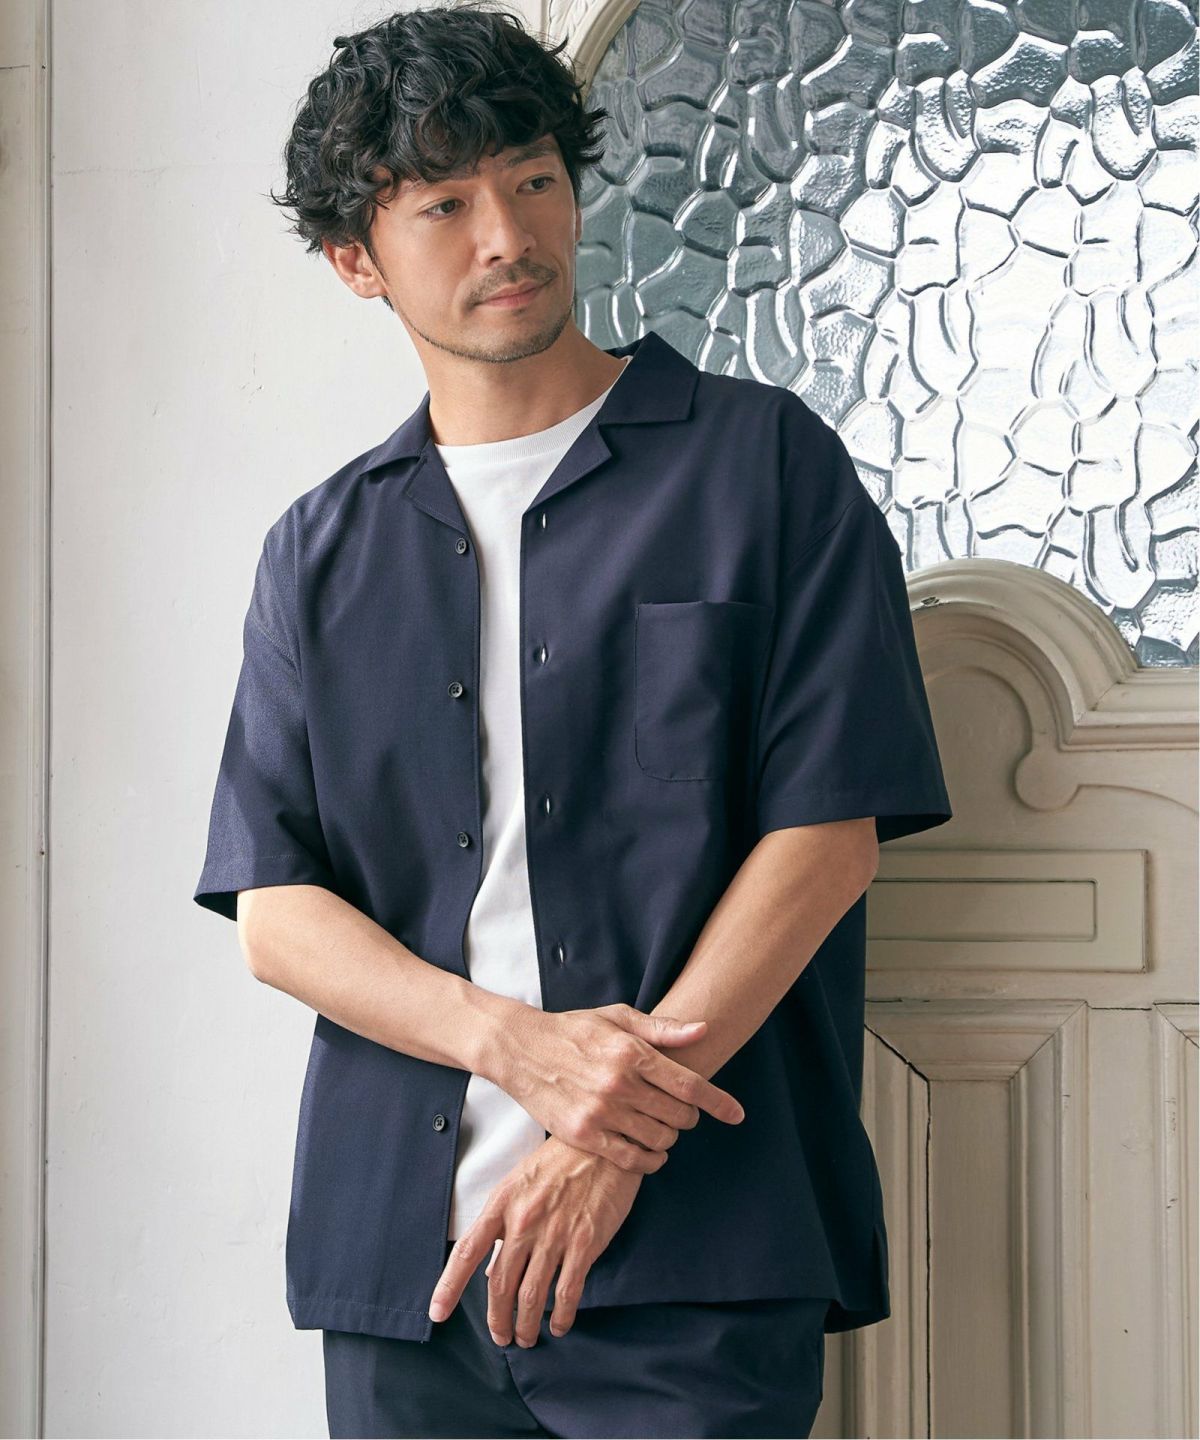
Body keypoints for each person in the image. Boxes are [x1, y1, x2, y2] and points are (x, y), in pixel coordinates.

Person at [193, 5, 954, 1436]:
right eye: (445, 204)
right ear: (357, 259)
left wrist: (611, 1133)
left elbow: (826, 837)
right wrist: (511, 1044)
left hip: (699, 1255)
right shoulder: (319, 551)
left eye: (533, 179)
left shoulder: (764, 468)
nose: (508, 235)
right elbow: (277, 912)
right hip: (404, 1275)